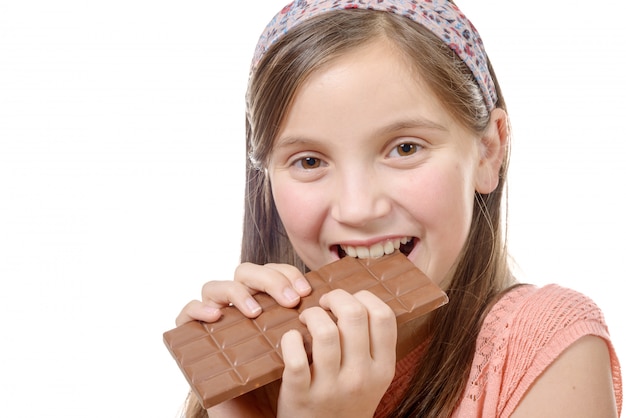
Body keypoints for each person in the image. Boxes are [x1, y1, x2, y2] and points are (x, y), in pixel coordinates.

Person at [174, 1, 622, 416]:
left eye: (405, 148)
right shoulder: (248, 384)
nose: (358, 208)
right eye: (309, 161)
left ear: (488, 151)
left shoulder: (550, 346)